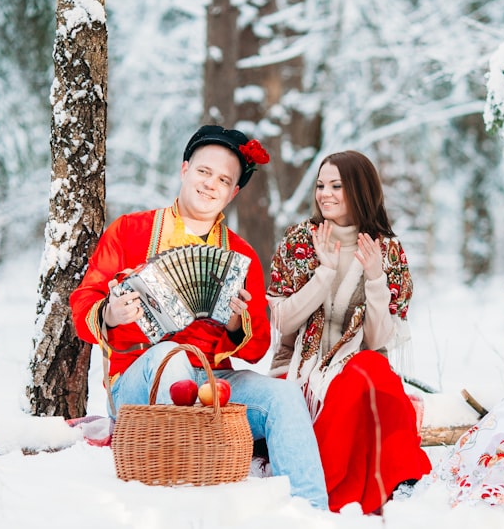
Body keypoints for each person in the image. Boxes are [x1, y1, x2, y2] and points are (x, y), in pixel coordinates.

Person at [70, 125, 328, 509]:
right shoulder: (130, 231)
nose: (210, 185)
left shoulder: (240, 257)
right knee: (170, 357)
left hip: (209, 382)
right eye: (204, 172)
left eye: (224, 180)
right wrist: (109, 312)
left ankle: (311, 511)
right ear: (185, 169)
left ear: (233, 192)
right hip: (138, 384)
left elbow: (257, 351)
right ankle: (189, 507)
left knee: (283, 394)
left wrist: (237, 324)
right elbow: (82, 305)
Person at [266, 150, 432, 514]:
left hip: (357, 367)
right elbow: (281, 322)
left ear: (359, 189)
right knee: (365, 377)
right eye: (321, 185)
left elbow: (376, 340)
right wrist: (323, 274)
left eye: (336, 186)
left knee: (370, 371)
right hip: (300, 368)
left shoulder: (386, 250)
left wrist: (375, 279)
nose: (325, 194)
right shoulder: (299, 241)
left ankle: (391, 480)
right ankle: (329, 482)